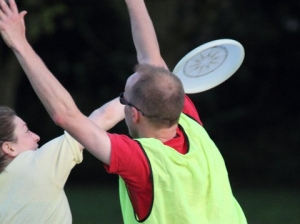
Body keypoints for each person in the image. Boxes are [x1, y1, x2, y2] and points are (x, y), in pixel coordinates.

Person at [0, 0, 247, 223]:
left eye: (123, 99)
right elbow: (152, 60)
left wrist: (20, 44)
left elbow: (65, 115)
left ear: (134, 114)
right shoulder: (188, 120)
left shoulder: (141, 161)